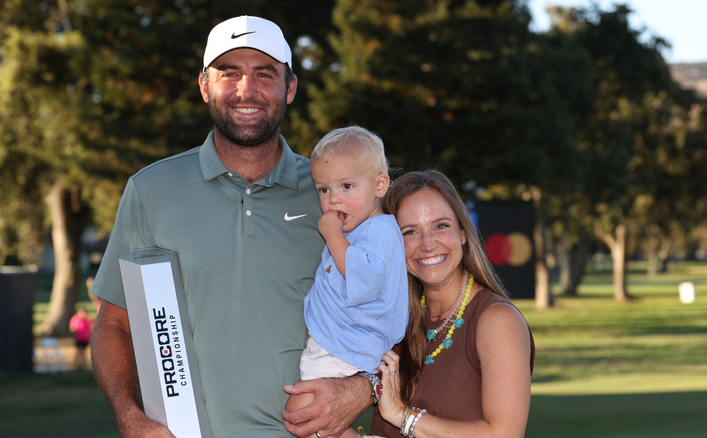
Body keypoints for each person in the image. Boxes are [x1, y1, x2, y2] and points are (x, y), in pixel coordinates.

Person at [90, 16, 373, 438]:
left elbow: (393, 310)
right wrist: (130, 417)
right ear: (205, 85)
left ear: (289, 88)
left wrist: (363, 388)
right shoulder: (151, 190)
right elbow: (113, 323)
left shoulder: (336, 194)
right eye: (230, 74)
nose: (247, 90)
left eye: (265, 74)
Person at [369, 170, 536, 438]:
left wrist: (402, 415)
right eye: (410, 232)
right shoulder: (397, 321)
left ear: (462, 233)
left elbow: (504, 434)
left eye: (441, 226)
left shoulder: (497, 320)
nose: (427, 244)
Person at [285, 126, 409, 437]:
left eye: (347, 186)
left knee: (302, 416)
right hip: (341, 342)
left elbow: (362, 277)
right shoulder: (361, 230)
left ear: (380, 185)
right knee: (307, 420)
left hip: (345, 345)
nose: (333, 199)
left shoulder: (379, 231)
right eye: (323, 190)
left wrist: (332, 234)